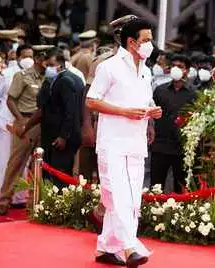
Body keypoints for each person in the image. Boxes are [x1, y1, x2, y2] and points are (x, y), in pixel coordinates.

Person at [86, 18, 162, 267]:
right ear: (131, 42)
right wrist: (123, 111)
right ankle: (130, 247)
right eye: (146, 40)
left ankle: (106, 248)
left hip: (136, 142)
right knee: (120, 197)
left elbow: (144, 101)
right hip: (112, 142)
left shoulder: (146, 70)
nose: (150, 45)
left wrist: (152, 113)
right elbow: (92, 100)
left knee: (127, 198)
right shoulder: (109, 67)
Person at [85, 14, 137, 235]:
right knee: (109, 180)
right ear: (119, 37)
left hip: (132, 129)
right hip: (107, 125)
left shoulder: (140, 62)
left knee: (127, 181)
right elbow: (88, 98)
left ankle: (108, 218)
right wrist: (87, 127)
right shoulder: (104, 63)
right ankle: (106, 219)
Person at [0, 45, 58, 216]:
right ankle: (4, 200)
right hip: (26, 121)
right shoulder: (22, 76)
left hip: (43, 123)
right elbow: (10, 100)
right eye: (48, 59)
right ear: (40, 59)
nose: (51, 63)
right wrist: (21, 120)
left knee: (39, 165)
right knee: (16, 163)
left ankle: (35, 201)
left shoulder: (51, 77)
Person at [20, 48, 85, 189]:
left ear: (60, 65)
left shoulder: (65, 80)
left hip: (60, 138)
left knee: (58, 179)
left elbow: (70, 111)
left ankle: (57, 209)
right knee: (59, 176)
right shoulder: (73, 78)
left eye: (50, 65)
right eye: (46, 64)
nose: (47, 68)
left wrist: (63, 136)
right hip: (61, 136)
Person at [0, 44, 34, 205]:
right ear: (19, 57)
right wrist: (3, 117)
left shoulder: (34, 74)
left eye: (31, 56)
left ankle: (19, 197)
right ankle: (2, 196)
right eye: (26, 55)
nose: (29, 59)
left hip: (25, 123)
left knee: (22, 161)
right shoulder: (6, 74)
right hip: (7, 122)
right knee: (5, 160)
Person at [151, 54, 196, 193]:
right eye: (174, 66)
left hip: (181, 149)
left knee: (180, 189)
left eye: (180, 66)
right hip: (160, 146)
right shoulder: (160, 90)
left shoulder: (194, 94)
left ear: (187, 71)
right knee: (155, 187)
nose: (176, 69)